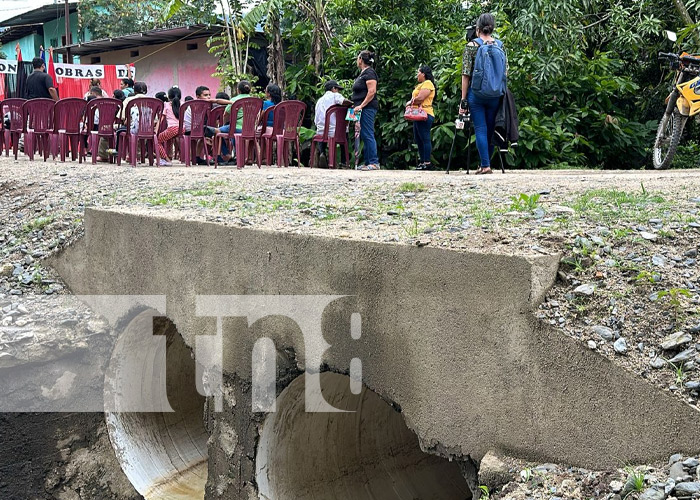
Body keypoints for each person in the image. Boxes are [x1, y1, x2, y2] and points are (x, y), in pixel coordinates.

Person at [459, 13, 507, 174]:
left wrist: (463, 99)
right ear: (492, 28)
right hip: (495, 93)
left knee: (480, 127)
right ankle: (486, 164)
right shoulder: (500, 45)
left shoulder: (472, 46)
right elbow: (505, 72)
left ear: (477, 28)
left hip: (477, 93)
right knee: (491, 128)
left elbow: (466, 75)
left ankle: (485, 165)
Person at [351, 50, 379, 170]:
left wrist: (361, 106)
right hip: (359, 108)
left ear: (361, 59)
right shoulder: (363, 73)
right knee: (363, 133)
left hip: (367, 108)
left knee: (368, 133)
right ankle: (368, 162)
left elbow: (372, 91)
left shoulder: (370, 73)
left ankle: (373, 162)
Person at [314, 80, 352, 165]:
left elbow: (316, 120)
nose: (338, 91)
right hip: (334, 132)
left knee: (324, 131)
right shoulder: (335, 96)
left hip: (320, 131)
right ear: (333, 88)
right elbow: (344, 101)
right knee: (344, 133)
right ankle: (343, 161)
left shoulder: (319, 101)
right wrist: (352, 104)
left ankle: (322, 152)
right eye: (337, 89)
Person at [408, 65, 436, 170]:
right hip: (417, 114)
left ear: (423, 74)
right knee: (418, 138)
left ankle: (427, 162)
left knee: (425, 138)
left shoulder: (428, 83)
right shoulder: (420, 85)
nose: (417, 75)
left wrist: (410, 102)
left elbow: (420, 98)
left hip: (425, 114)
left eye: (418, 72)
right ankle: (423, 161)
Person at [156, 86, 181, 166]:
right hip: (182, 129)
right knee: (169, 137)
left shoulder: (166, 105)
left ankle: (166, 159)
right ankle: (182, 157)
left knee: (157, 140)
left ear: (169, 96)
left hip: (172, 129)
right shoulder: (183, 104)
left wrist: (156, 131)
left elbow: (160, 119)